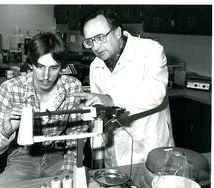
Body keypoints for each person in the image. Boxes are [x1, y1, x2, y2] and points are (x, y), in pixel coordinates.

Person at [0, 32, 88, 185]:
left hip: (58, 155)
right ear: (30, 64)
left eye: (53, 68)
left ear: (63, 68)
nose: (46, 76)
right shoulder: (10, 89)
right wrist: (7, 131)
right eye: (40, 66)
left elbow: (77, 134)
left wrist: (70, 170)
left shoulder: (72, 86)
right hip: (23, 157)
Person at [74, 9, 175, 167]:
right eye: (90, 41)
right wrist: (97, 152)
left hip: (150, 144)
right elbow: (100, 111)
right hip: (115, 148)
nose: (96, 47)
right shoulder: (95, 66)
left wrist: (111, 100)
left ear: (117, 32)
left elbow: (155, 93)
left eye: (100, 38)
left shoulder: (151, 50)